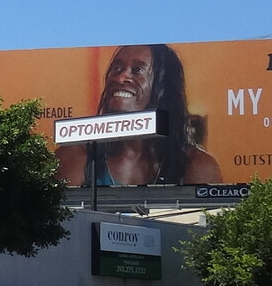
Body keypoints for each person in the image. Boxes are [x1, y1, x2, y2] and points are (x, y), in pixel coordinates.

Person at [57, 43, 223, 186]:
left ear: (163, 88)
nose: (121, 77)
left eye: (137, 70)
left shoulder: (197, 165)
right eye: (117, 68)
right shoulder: (75, 156)